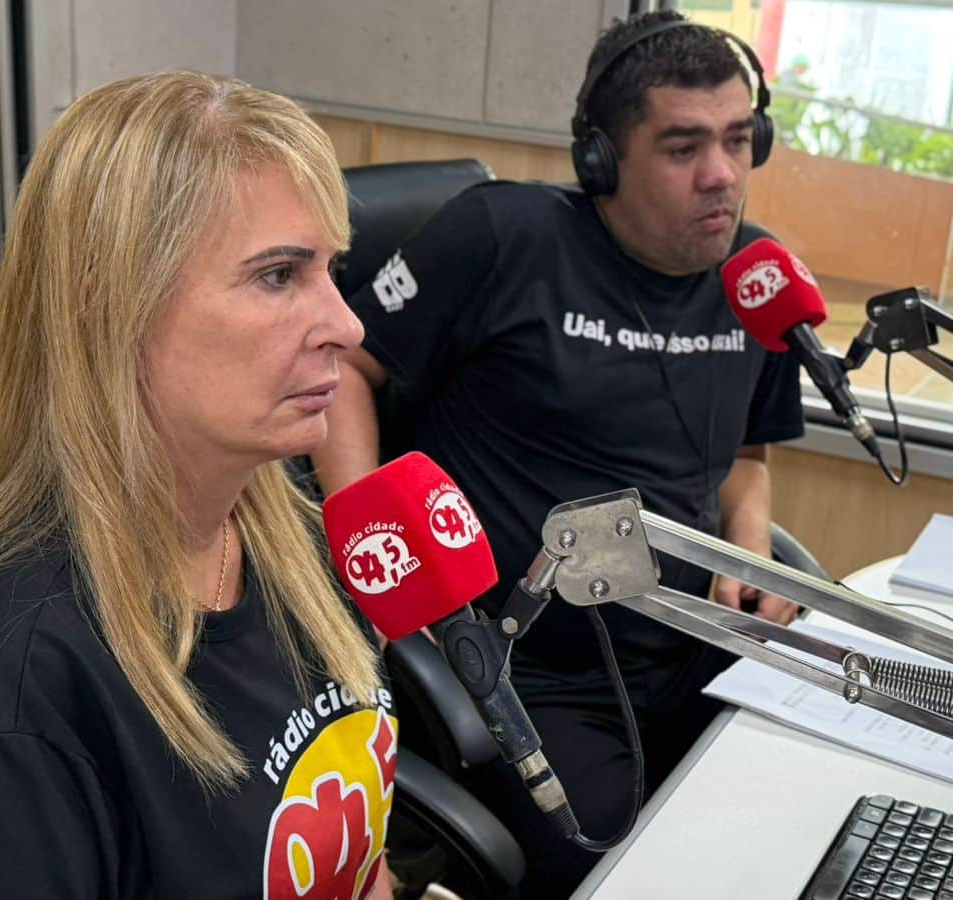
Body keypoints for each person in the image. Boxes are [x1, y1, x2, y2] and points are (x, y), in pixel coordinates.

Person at [0, 72, 397, 900]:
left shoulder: (293, 541)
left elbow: (359, 862)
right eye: (279, 276)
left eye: (331, 269)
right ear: (112, 306)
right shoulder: (0, 703)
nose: (347, 324)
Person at [311, 11, 806, 897]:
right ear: (601, 161)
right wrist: (372, 550)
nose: (722, 174)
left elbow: (745, 453)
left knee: (786, 836)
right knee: (628, 879)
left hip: (692, 644)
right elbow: (347, 362)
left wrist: (751, 549)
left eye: (739, 140)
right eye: (683, 147)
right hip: (529, 669)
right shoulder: (503, 238)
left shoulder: (755, 276)